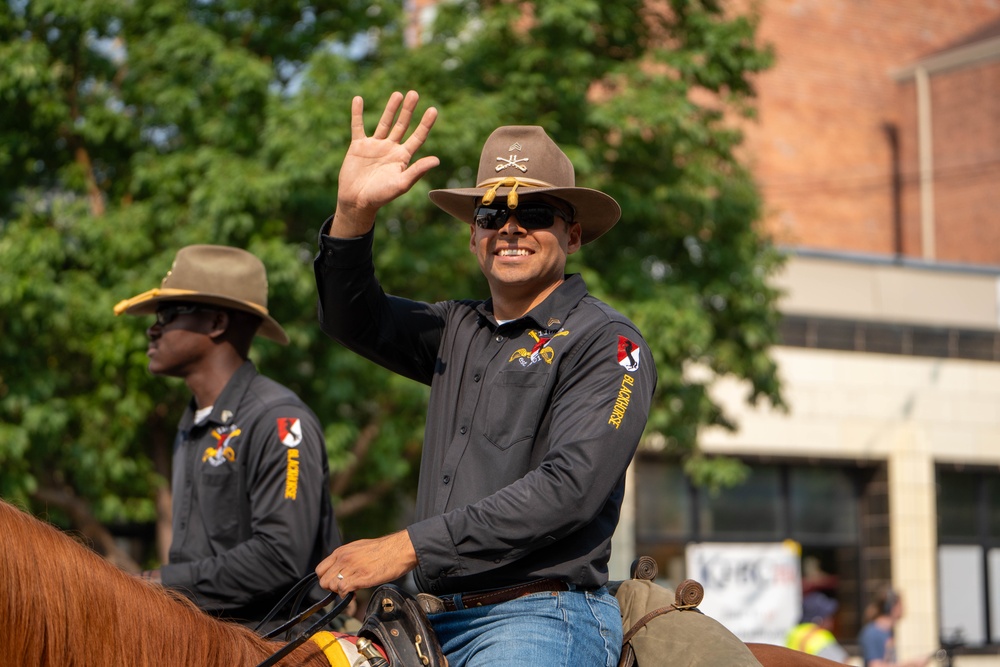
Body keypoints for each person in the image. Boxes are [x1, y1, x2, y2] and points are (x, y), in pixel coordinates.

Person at [312, 90, 657, 666]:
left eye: (537, 214)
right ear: (474, 236)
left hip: (538, 615)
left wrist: (406, 546)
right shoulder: (457, 327)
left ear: (573, 236)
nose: (511, 229)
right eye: (493, 215)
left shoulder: (611, 343)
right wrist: (354, 213)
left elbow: (568, 489)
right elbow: (352, 318)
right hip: (419, 618)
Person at [114, 244, 341, 628]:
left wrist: (159, 582)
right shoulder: (194, 422)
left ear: (217, 323)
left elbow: (279, 558)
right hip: (204, 638)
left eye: (168, 315)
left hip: (278, 642)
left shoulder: (279, 420)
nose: (153, 329)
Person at [858, 586, 930, 667]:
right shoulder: (871, 633)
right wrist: (912, 664)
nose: (903, 608)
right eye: (900, 605)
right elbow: (875, 665)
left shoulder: (888, 631)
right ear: (892, 607)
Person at [786, 591, 849, 663]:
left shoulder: (793, 632)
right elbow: (842, 662)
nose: (831, 620)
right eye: (827, 616)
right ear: (819, 619)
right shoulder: (820, 636)